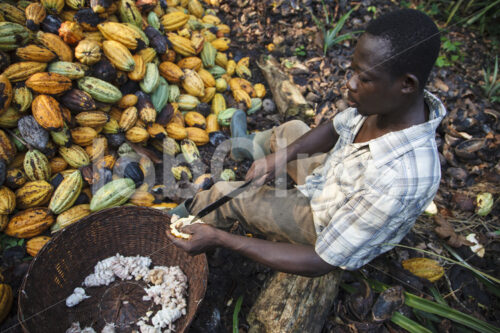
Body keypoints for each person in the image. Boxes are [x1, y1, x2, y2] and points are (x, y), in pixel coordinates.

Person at [166, 8, 446, 277]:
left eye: (364, 78)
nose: (350, 84)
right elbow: (335, 128)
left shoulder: (399, 179)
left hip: (323, 225)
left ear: (407, 84)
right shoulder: (387, 104)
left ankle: (172, 230)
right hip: (332, 179)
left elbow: (321, 261)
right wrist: (281, 157)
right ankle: (246, 146)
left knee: (229, 195)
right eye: (353, 71)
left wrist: (221, 239)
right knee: (292, 131)